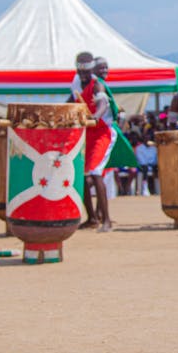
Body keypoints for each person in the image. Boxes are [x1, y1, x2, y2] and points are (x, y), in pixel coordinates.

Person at [70, 52, 115, 231]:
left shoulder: (97, 85)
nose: (84, 75)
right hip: (86, 134)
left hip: (102, 133)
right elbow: (71, 102)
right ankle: (92, 218)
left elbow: (103, 104)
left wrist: (96, 116)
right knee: (82, 176)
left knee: (96, 173)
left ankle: (107, 220)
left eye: (87, 72)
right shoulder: (75, 84)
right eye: (81, 72)